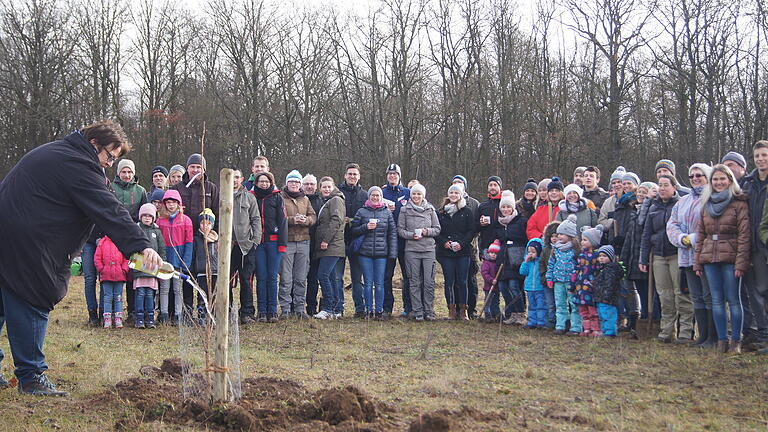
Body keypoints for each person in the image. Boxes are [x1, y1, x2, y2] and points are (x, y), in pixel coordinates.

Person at [0, 120, 160, 396]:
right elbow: (108, 208)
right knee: (31, 298)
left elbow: (92, 211)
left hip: (9, 235)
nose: (110, 163)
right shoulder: (76, 164)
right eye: (109, 155)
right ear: (94, 144)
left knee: (4, 299)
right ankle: (31, 375)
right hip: (28, 242)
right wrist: (140, 246)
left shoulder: (56, 152)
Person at [696, 164, 751, 354]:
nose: (719, 182)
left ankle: (736, 340)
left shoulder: (739, 203)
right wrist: (698, 261)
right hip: (710, 257)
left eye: (722, 179)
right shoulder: (706, 204)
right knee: (717, 300)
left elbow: (745, 236)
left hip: (732, 257)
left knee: (734, 300)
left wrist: (741, 263)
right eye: (715, 179)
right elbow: (700, 235)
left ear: (729, 180)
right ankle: (722, 340)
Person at [640, 175, 693, 343]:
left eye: (666, 185)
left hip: (677, 254)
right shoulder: (653, 208)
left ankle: (685, 332)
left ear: (674, 188)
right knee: (664, 295)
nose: (662, 188)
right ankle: (666, 331)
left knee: (681, 294)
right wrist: (643, 258)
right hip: (658, 256)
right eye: (660, 185)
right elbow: (646, 234)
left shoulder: (681, 205)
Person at [666, 163, 713, 346]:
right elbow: (672, 224)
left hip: (707, 256)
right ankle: (702, 336)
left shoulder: (712, 198)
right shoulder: (682, 201)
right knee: (696, 296)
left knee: (709, 296)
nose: (694, 178)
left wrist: (696, 238)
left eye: (699, 175)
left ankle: (713, 336)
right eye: (691, 176)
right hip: (686, 256)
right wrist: (682, 238)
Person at [171, 153, 219, 311]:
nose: (195, 170)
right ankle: (186, 309)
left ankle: (204, 308)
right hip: (183, 238)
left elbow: (217, 213)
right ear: (187, 168)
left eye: (199, 167)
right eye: (192, 167)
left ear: (204, 169)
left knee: (204, 274)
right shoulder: (177, 188)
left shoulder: (211, 188)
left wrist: (214, 233)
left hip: (204, 239)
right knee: (186, 273)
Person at [351, 186, 398, 319]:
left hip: (381, 254)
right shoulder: (361, 211)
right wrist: (365, 227)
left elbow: (392, 234)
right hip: (364, 253)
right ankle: (368, 310)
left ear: (381, 197)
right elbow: (353, 230)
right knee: (367, 283)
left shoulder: (387, 213)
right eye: (373, 195)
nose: (375, 198)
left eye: (378, 195)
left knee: (379, 284)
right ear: (369, 196)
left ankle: (378, 311)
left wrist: (392, 254)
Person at [111, 158, 148, 321]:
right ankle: (109, 311)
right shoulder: (109, 188)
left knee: (134, 274)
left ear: (134, 173)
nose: (127, 175)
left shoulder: (141, 191)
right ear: (118, 173)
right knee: (114, 274)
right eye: (124, 171)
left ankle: (133, 311)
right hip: (112, 235)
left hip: (133, 236)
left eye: (129, 172)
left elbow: (145, 213)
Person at [397, 183, 440, 321]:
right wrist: (411, 235)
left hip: (428, 250)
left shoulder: (430, 209)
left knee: (428, 282)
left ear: (423, 195)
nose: (416, 196)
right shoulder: (405, 210)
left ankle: (429, 310)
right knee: (414, 282)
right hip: (411, 250)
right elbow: (400, 230)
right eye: (414, 194)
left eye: (419, 194)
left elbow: (437, 229)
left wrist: (426, 231)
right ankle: (417, 311)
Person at [742, 141, 768, 351]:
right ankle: (763, 335)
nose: (760, 159)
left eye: (764, 155)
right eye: (757, 156)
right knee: (755, 293)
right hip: (752, 247)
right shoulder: (748, 183)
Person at [279, 170, 317, 319]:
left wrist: (306, 221)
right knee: (286, 278)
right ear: (287, 183)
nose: (294, 184)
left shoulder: (305, 200)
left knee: (300, 278)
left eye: (296, 182)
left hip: (303, 241)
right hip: (287, 241)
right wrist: (292, 220)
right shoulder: (280, 198)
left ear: (300, 184)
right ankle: (285, 309)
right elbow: (278, 218)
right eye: (291, 181)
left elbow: (313, 216)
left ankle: (299, 309)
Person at [251, 171, 287, 323]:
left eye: (266, 181)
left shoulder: (277, 197)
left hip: (274, 243)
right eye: (261, 181)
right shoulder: (251, 197)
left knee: (272, 277)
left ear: (271, 182)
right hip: (258, 243)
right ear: (256, 183)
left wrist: (282, 245)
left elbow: (283, 221)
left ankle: (272, 311)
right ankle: (262, 311)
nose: (264, 184)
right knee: (261, 277)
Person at [436, 184, 475, 320]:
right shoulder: (440, 213)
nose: (453, 195)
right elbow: (436, 231)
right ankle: (451, 310)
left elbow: (471, 231)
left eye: (456, 193)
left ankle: (463, 310)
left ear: (461, 195)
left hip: (463, 252)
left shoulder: (467, 211)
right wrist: (444, 242)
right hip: (446, 252)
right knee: (449, 282)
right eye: (451, 192)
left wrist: (462, 244)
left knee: (462, 281)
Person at [157, 189, 193, 324]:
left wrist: (186, 261)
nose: (171, 205)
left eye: (173, 202)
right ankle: (164, 314)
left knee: (178, 289)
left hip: (179, 259)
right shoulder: (160, 221)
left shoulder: (186, 220)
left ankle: (178, 314)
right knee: (164, 288)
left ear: (179, 204)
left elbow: (189, 242)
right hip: (165, 260)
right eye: (168, 202)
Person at [230, 168, 261, 324]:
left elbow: (256, 220)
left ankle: (247, 312)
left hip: (246, 246)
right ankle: (226, 310)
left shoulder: (249, 198)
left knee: (246, 279)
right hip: (227, 247)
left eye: (236, 177)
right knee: (226, 281)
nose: (234, 180)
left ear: (242, 179)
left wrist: (255, 241)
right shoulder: (221, 197)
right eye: (231, 177)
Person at [313, 177, 346, 320]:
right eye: (324, 187)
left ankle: (328, 307)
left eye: (328, 187)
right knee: (331, 277)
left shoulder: (336, 200)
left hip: (333, 246)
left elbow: (336, 221)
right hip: (329, 246)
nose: (326, 189)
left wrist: (326, 240)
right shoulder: (328, 201)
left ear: (333, 187)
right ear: (320, 189)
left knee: (323, 275)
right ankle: (336, 309)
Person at [337, 163, 368, 318]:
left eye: (355, 174)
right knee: (337, 277)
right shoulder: (337, 192)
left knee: (357, 277)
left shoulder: (365, 195)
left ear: (359, 176)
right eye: (350, 174)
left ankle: (360, 308)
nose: (352, 176)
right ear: (345, 175)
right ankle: (339, 307)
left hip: (358, 240)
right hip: (339, 240)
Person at [492, 191, 527, 324]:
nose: (506, 210)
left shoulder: (521, 221)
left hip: (515, 259)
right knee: (503, 287)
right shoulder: (498, 224)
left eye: (508, 207)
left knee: (514, 286)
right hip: (502, 259)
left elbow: (524, 238)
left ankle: (520, 313)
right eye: (503, 207)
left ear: (513, 208)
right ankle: (511, 312)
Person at [382, 163, 411, 317]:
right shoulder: (381, 192)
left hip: (405, 241)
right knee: (387, 276)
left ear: (400, 176)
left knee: (407, 275)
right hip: (386, 241)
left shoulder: (408, 193)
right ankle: (387, 308)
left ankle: (408, 308)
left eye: (395, 174)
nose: (392, 176)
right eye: (390, 173)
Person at [452, 174, 481, 319]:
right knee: (456, 280)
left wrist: (465, 240)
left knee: (470, 279)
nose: (457, 184)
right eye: (455, 182)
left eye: (460, 182)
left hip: (470, 247)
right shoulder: (449, 204)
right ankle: (457, 308)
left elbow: (477, 226)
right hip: (453, 249)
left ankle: (472, 309)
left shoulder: (474, 204)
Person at [133, 203, 167, 329]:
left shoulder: (156, 232)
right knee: (140, 293)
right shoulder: (136, 230)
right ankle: (139, 318)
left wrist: (162, 264)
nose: (147, 218)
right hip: (139, 268)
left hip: (153, 270)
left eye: (149, 216)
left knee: (150, 294)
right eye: (144, 215)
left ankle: (150, 318)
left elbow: (162, 249)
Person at [546, 215, 581, 335]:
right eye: (558, 234)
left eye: (562, 234)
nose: (559, 237)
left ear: (570, 235)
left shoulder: (575, 250)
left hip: (571, 282)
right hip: (558, 281)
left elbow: (579, 266)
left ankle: (576, 327)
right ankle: (561, 325)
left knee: (574, 304)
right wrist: (549, 278)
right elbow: (551, 265)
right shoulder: (555, 249)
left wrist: (576, 279)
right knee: (560, 304)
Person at [574, 225, 604, 336]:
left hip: (591, 288)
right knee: (583, 310)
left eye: (585, 240)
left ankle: (596, 329)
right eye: (582, 240)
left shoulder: (597, 256)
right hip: (581, 287)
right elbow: (577, 269)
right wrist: (573, 283)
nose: (582, 242)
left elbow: (599, 271)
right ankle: (586, 328)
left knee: (593, 310)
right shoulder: (581, 255)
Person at [95, 236, 129, 329]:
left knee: (118, 297)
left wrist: (124, 269)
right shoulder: (102, 242)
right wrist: (102, 269)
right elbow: (97, 258)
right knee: (107, 297)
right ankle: (107, 318)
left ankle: (118, 318)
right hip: (106, 275)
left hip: (119, 275)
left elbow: (126, 257)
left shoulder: (121, 241)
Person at [303, 174, 324, 316]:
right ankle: (294, 306)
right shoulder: (297, 200)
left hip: (316, 246)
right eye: (306, 184)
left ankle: (311, 306)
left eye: (312, 184)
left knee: (313, 279)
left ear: (316, 186)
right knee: (297, 278)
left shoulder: (321, 202)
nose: (309, 186)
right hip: (299, 243)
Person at [193, 209, 218, 325]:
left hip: (214, 271)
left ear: (212, 225)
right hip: (202, 272)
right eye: (203, 223)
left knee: (214, 294)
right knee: (202, 295)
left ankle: (214, 316)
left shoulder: (217, 240)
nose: (205, 226)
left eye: (208, 224)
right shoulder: (197, 239)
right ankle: (202, 316)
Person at [593, 245, 624, 338]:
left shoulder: (611, 270)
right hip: (600, 297)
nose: (601, 258)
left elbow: (610, 285)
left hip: (608, 298)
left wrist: (607, 296)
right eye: (600, 256)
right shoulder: (602, 269)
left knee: (608, 315)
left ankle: (610, 332)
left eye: (604, 256)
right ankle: (604, 331)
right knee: (602, 315)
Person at [520, 238, 546, 328]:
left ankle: (541, 322)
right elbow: (523, 272)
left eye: (533, 252)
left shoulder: (541, 262)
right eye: (529, 252)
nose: (530, 254)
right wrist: (525, 262)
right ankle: (532, 322)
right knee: (532, 306)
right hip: (530, 287)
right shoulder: (528, 262)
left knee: (541, 305)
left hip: (540, 288)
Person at [539, 221, 561, 329]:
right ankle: (551, 321)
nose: (554, 238)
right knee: (550, 303)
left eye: (557, 236)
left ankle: (561, 322)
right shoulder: (546, 250)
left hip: (559, 281)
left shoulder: (563, 250)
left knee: (560, 302)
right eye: (552, 236)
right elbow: (542, 264)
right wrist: (543, 276)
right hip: (547, 281)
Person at [477, 176, 503, 254]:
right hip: (486, 244)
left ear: (500, 187)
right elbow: (475, 226)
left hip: (502, 243)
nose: (492, 187)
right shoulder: (483, 206)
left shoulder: (506, 204)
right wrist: (480, 223)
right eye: (490, 185)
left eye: (495, 185)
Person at [481, 240, 501, 318]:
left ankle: (496, 313)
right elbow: (484, 273)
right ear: (489, 253)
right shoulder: (486, 263)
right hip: (488, 286)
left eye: (495, 254)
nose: (493, 255)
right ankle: (487, 314)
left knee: (496, 301)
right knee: (488, 301)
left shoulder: (498, 263)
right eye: (492, 253)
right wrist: (491, 280)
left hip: (496, 287)